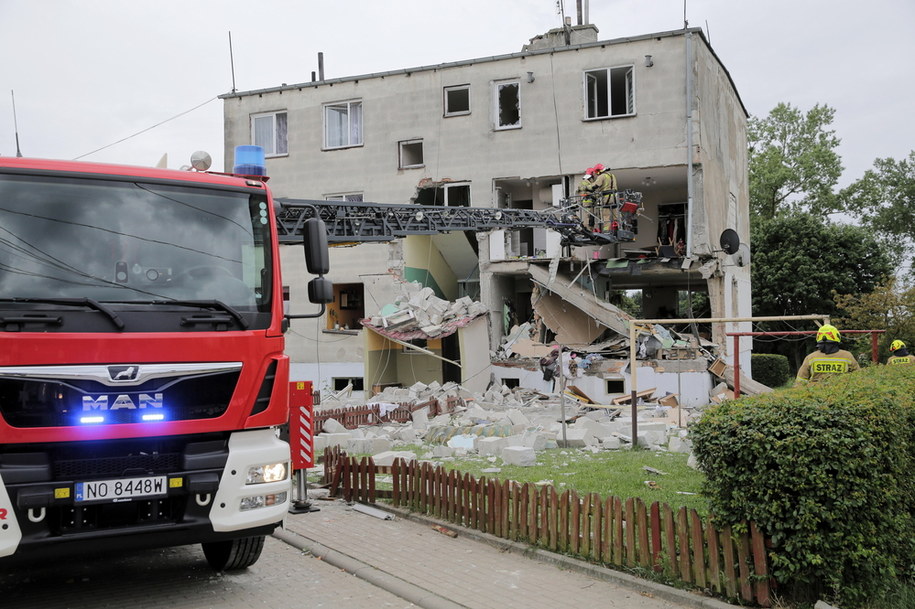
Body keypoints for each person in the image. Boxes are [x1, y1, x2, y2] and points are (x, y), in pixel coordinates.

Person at [795, 324, 861, 385]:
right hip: (842, 393)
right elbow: (859, 377)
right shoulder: (847, 356)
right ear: (837, 337)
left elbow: (800, 381)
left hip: (815, 394)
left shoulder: (811, 358)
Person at [589, 163, 618, 233]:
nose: (596, 174)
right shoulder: (612, 175)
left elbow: (595, 186)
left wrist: (587, 188)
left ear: (599, 170)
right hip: (614, 197)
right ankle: (617, 228)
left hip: (606, 198)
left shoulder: (602, 176)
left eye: (596, 172)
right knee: (615, 215)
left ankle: (606, 230)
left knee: (606, 215)